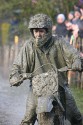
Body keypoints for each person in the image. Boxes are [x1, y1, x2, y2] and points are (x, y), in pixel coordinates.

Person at [9, 14, 82, 125]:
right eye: (35, 31)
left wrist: (77, 61)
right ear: (32, 32)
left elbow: (74, 54)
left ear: (47, 31)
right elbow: (17, 65)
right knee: (27, 119)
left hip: (60, 86)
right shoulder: (28, 46)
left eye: (41, 31)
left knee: (76, 117)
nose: (38, 34)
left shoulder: (59, 42)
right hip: (36, 89)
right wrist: (15, 75)